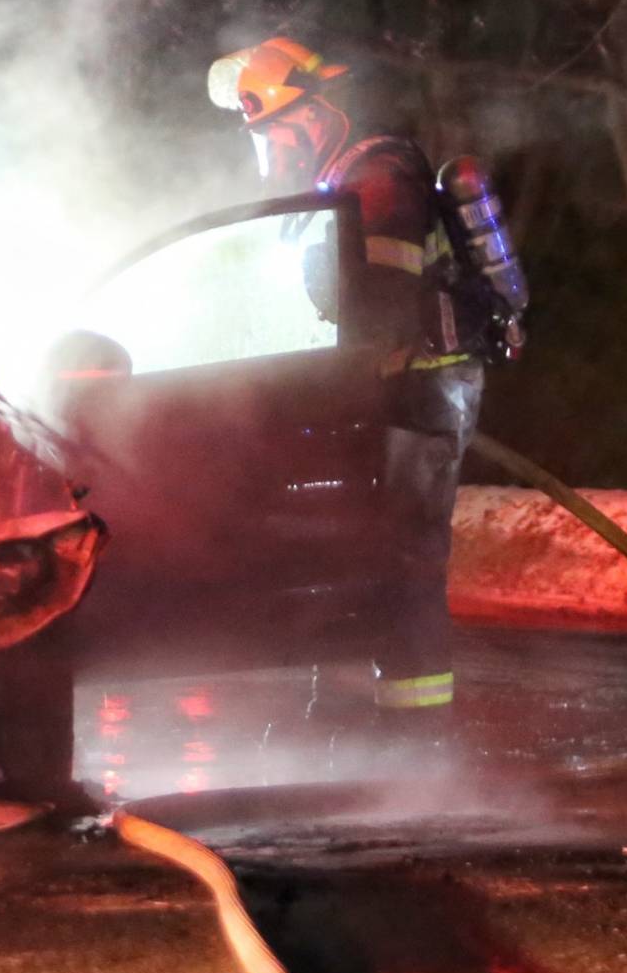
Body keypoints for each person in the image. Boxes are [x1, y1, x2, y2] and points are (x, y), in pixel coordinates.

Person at [206, 36, 522, 715]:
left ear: (312, 117)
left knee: (407, 558)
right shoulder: (336, 181)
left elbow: (380, 302)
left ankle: (414, 732)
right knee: (359, 553)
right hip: (389, 392)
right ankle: (350, 712)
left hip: (424, 392)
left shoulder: (377, 177)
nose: (265, 147)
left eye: (270, 130)